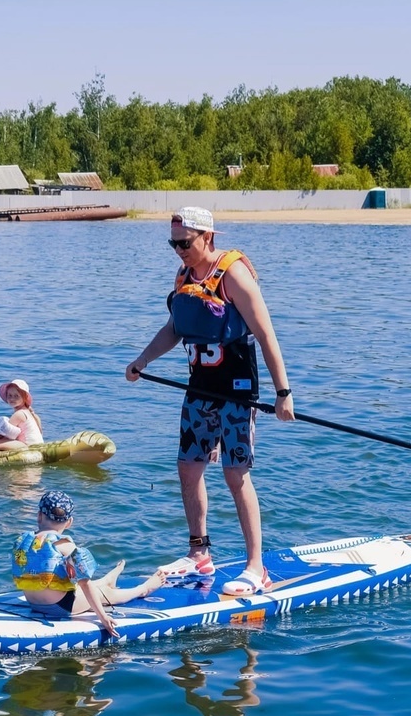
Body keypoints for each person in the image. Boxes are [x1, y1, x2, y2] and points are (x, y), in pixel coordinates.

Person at [124, 207, 295, 596]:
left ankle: (257, 567)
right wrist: (143, 360)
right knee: (188, 467)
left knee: (236, 476)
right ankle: (199, 555)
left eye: (185, 243)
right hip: (199, 390)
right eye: (174, 243)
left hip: (236, 391)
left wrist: (282, 393)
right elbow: (174, 328)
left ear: (208, 236)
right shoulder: (184, 277)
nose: (179, 250)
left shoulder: (233, 274)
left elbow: (267, 335)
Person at [12, 491, 166, 637]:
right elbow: (85, 584)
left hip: (33, 603)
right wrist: (103, 617)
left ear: (39, 516)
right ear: (69, 522)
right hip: (61, 608)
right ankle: (143, 589)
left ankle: (106, 580)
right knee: (105, 594)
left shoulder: (24, 541)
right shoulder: (65, 546)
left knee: (77, 585)